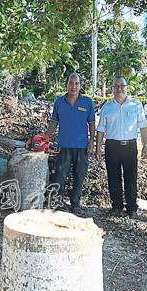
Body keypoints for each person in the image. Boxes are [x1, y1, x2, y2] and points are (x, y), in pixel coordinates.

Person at [95, 76, 147, 219]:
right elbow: (101, 128)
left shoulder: (136, 105)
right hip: (112, 145)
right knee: (113, 177)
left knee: (131, 178)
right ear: (112, 89)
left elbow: (143, 125)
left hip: (130, 146)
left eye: (122, 86)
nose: (119, 88)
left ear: (127, 88)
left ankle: (132, 208)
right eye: (116, 86)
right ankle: (117, 206)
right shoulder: (107, 107)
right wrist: (98, 147)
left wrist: (146, 145)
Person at [45, 73, 96, 215]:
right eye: (71, 83)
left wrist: (91, 141)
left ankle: (75, 203)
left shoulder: (87, 102)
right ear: (66, 85)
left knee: (79, 176)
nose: (74, 86)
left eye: (77, 83)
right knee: (60, 174)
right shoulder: (59, 102)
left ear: (80, 85)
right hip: (64, 146)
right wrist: (45, 137)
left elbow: (92, 123)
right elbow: (54, 121)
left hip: (81, 147)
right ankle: (57, 202)